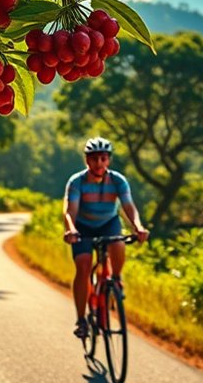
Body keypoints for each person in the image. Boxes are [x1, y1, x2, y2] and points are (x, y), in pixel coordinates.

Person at [63, 136, 149, 339]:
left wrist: (138, 226)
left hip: (108, 223)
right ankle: (81, 320)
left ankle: (116, 279)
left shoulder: (118, 180)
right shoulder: (77, 182)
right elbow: (70, 211)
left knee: (118, 243)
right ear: (87, 160)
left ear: (108, 160)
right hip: (83, 227)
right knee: (83, 266)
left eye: (103, 158)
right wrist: (71, 230)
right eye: (94, 159)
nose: (99, 163)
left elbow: (129, 206)